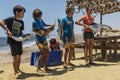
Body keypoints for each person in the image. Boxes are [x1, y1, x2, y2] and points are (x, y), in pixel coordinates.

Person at [0, 5, 25, 77]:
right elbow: (1, 22)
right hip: (12, 40)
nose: (23, 15)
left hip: (19, 40)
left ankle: (18, 69)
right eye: (22, 13)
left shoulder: (22, 22)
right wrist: (7, 30)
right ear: (17, 12)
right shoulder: (11, 19)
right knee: (15, 56)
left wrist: (24, 37)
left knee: (19, 55)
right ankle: (15, 72)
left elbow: (21, 32)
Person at [32, 9, 55, 73]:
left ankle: (46, 67)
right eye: (39, 15)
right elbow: (37, 31)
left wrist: (51, 25)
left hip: (44, 39)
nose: (41, 17)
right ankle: (38, 68)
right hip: (39, 40)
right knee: (42, 53)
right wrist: (45, 32)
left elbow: (44, 24)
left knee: (47, 53)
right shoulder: (34, 22)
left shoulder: (41, 20)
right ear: (36, 15)